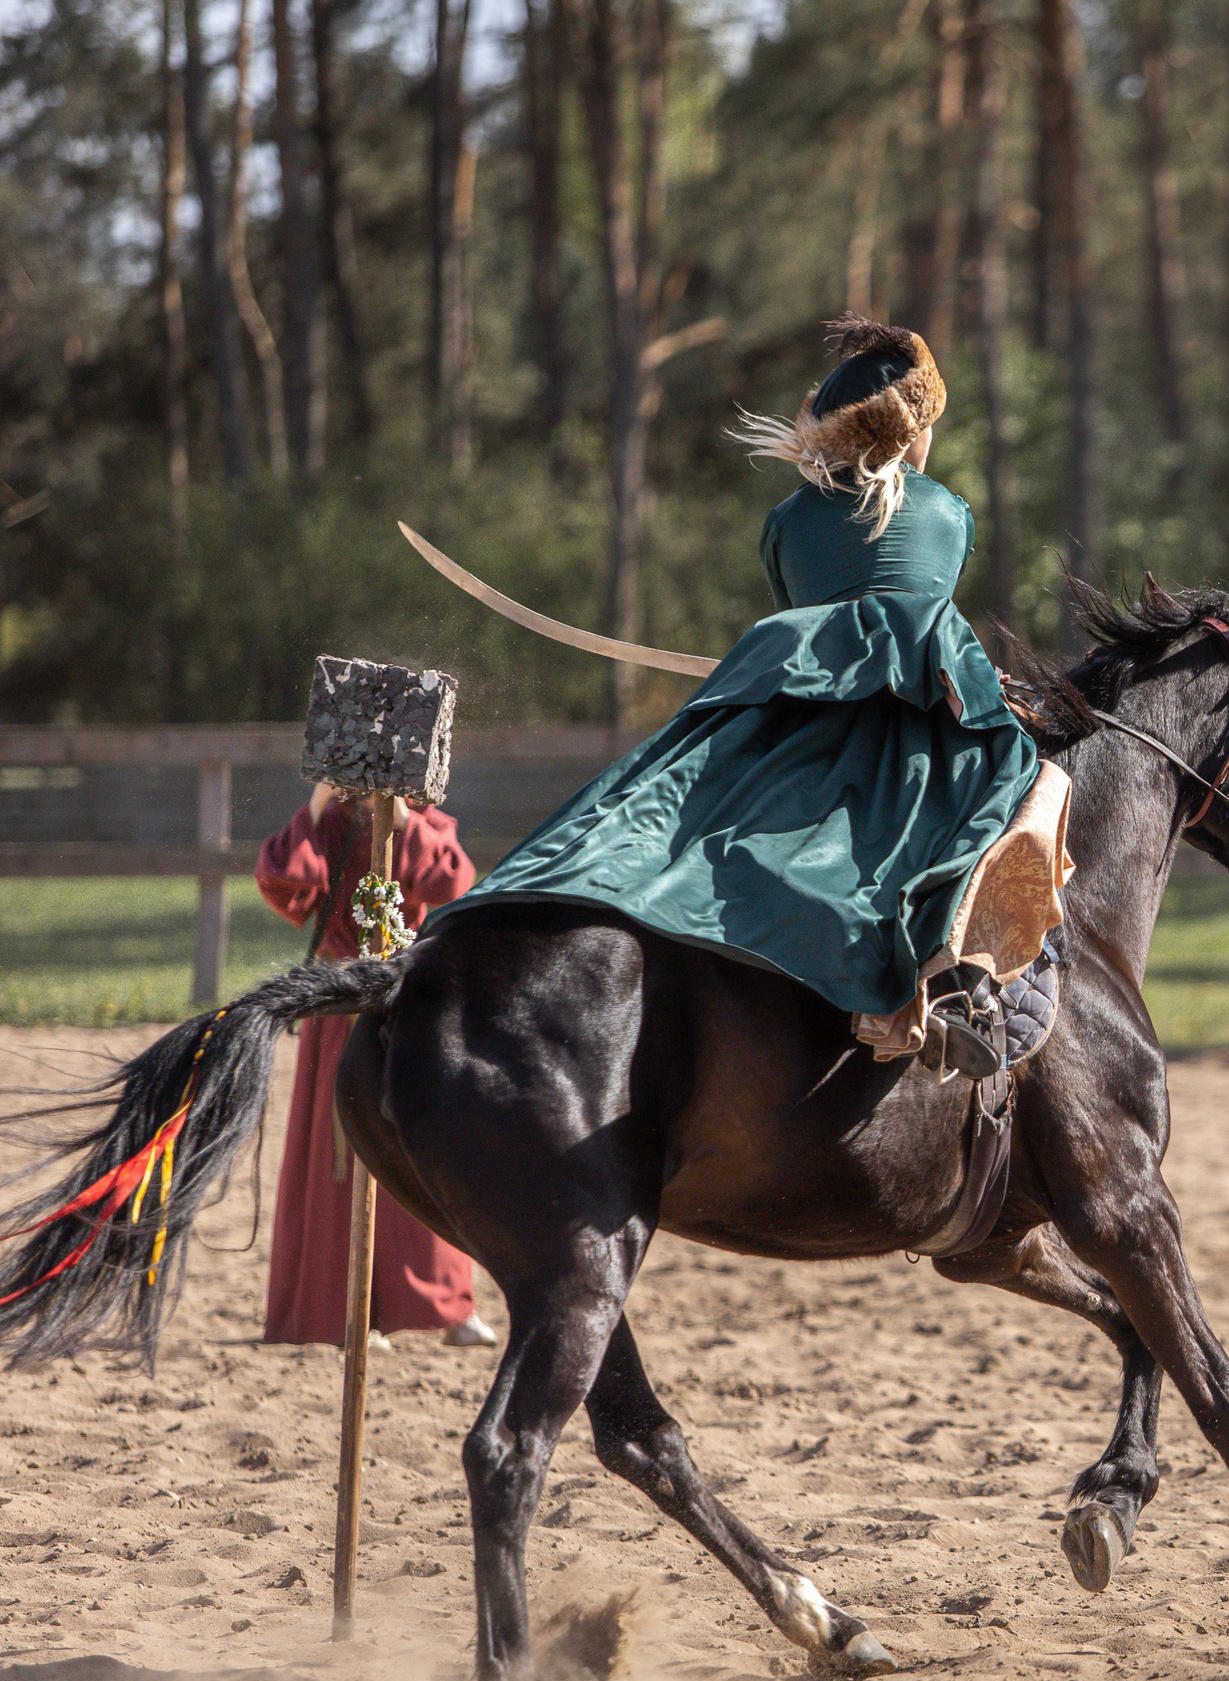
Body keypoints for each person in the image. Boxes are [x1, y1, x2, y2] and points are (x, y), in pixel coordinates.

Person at [432, 317, 1070, 1077]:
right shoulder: (946, 512)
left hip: (802, 723)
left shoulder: (786, 523)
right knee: (1030, 791)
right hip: (909, 737)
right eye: (929, 423)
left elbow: (802, 614)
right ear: (910, 430)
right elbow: (922, 617)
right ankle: (967, 986)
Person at [255, 783, 493, 1348]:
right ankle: (348, 1314)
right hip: (340, 1005)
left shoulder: (426, 821)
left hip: (412, 1001)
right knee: (338, 1159)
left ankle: (446, 1305)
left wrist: (406, 821)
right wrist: (315, 806)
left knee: (424, 1149)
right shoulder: (329, 824)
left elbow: (450, 883)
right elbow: (283, 886)